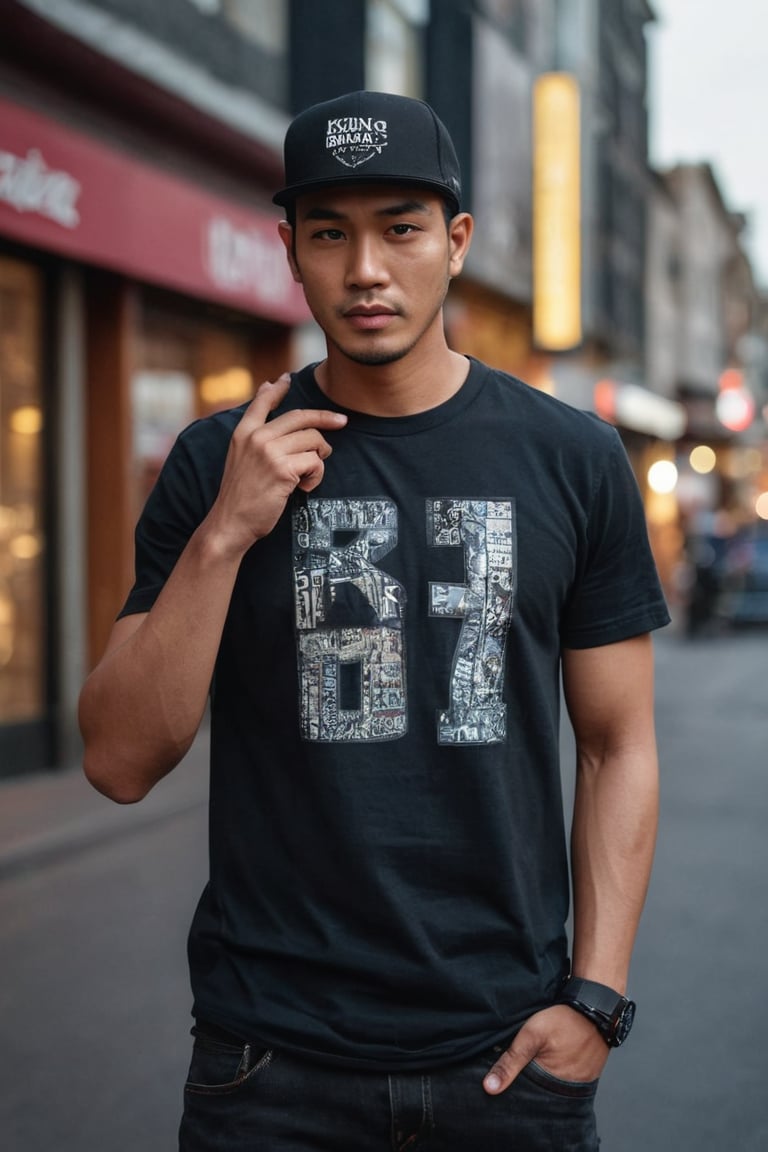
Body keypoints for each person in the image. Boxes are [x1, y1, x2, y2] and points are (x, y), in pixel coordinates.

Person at [78, 90, 670, 1151]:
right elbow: (120, 759)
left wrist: (599, 998)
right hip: (271, 1070)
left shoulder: (573, 460)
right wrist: (226, 535)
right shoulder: (219, 461)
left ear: (455, 243)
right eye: (328, 234)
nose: (364, 269)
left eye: (400, 228)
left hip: (508, 1061)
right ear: (290, 253)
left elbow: (618, 745)